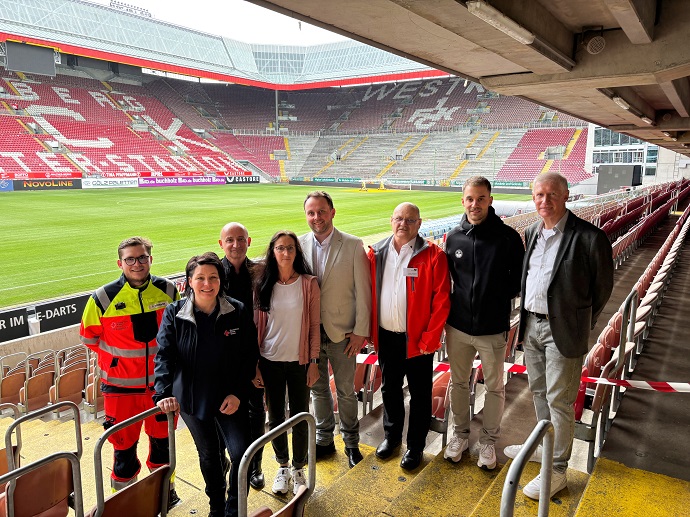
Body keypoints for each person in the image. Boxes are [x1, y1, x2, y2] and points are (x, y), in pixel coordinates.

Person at [504, 172, 613, 500]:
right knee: (539, 392)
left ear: (566, 196)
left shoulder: (590, 237)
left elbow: (602, 289)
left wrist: (580, 322)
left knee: (560, 401)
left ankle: (557, 470)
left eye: (552, 194)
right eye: (539, 195)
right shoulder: (532, 231)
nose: (544, 201)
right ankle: (544, 444)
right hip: (532, 325)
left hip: (563, 329)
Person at [154, 252, 259, 517]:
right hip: (191, 398)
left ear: (220, 280)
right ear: (189, 281)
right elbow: (164, 355)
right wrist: (163, 393)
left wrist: (237, 393)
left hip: (230, 398)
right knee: (209, 456)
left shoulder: (237, 310)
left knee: (240, 455)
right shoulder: (174, 312)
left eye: (213, 277)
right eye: (200, 277)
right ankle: (216, 506)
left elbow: (249, 356)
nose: (207, 283)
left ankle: (234, 509)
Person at [79, 236, 180, 505]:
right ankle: (124, 500)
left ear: (151, 259)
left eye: (142, 257)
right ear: (120, 263)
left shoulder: (169, 291)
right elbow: (89, 338)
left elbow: (177, 334)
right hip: (120, 392)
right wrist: (117, 364)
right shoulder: (102, 297)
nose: (137, 264)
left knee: (163, 448)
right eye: (130, 259)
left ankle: (164, 493)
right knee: (123, 453)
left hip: (161, 390)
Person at [443, 176, 525, 470]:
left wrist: (493, 298)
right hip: (458, 327)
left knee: (494, 388)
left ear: (490, 200)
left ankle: (489, 443)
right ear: (463, 201)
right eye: (469, 199)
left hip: (493, 328)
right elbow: (447, 281)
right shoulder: (453, 238)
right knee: (459, 384)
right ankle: (460, 436)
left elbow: (519, 281)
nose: (474, 204)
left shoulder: (509, 238)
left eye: (480, 199)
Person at [368, 203, 451, 471]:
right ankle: (392, 439)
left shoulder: (434, 256)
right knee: (389, 390)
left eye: (409, 220)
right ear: (391, 220)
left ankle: (415, 446)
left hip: (418, 341)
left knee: (420, 394)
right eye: (398, 219)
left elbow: (442, 301)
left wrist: (430, 338)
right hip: (386, 337)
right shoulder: (376, 253)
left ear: (419, 223)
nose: (403, 224)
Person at [299, 191, 371, 468]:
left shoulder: (352, 245)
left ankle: (351, 443)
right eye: (311, 213)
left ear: (332, 212)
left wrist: (360, 331)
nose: (316, 217)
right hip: (310, 336)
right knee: (318, 391)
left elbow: (363, 293)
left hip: (343, 334)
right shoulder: (299, 244)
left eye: (321, 211)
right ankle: (325, 440)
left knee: (346, 391)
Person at [253, 231, 320, 495]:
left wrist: (314, 361)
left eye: (290, 248)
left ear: (296, 252)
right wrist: (255, 364)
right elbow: (256, 327)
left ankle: (299, 467)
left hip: (299, 361)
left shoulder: (308, 283)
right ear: (273, 251)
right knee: (276, 415)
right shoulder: (262, 284)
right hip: (269, 360)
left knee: (300, 415)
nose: (285, 253)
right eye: (280, 248)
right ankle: (282, 466)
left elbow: (314, 326)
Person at [219, 222, 266, 490]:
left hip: (253, 358)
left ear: (248, 241)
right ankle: (228, 460)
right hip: (223, 360)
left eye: (240, 239)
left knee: (256, 413)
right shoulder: (214, 274)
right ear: (221, 243)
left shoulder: (259, 273)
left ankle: (255, 465)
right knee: (219, 412)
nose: (235, 245)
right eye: (230, 240)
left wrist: (259, 362)